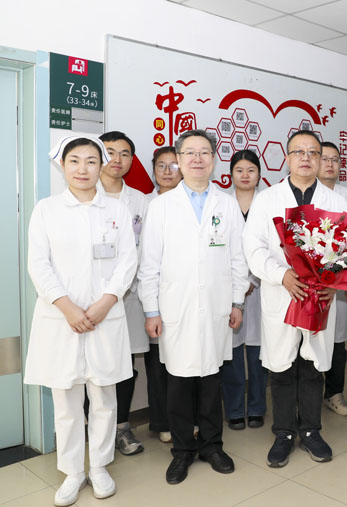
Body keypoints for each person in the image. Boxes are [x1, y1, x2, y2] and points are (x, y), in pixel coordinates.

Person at [25, 137, 137, 506]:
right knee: (67, 399)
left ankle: (100, 466)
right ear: (62, 165)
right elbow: (38, 264)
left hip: (106, 315)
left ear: (101, 165)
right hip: (62, 318)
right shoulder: (46, 210)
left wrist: (106, 302)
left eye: (91, 161)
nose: (83, 169)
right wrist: (67, 307)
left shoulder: (117, 209)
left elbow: (128, 261)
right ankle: (72, 472)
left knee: (104, 395)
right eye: (74, 161)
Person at [139, 129, 248, 484]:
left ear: (213, 160)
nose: (197, 159)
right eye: (189, 153)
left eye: (204, 152)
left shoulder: (226, 204)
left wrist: (236, 301)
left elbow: (238, 259)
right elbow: (149, 264)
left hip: (217, 307)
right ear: (179, 160)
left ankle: (212, 446)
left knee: (212, 379)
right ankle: (183, 450)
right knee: (180, 382)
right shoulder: (161, 206)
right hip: (176, 308)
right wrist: (151, 310)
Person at [243, 130, 347, 468]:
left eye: (313, 152)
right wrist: (281, 275)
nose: (306, 158)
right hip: (282, 293)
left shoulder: (336, 202)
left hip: (319, 297)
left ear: (320, 159)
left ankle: (312, 431)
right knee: (283, 366)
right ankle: (284, 433)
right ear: (287, 158)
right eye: (299, 152)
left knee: (313, 366)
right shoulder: (267, 199)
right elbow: (253, 247)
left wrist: (335, 282)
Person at [98, 131, 149, 456]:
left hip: (129, 295)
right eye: (110, 151)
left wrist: (125, 286)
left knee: (125, 364)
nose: (117, 159)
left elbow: (144, 250)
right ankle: (98, 431)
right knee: (96, 365)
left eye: (125, 153)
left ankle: (122, 428)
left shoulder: (139, 200)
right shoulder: (86, 194)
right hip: (93, 298)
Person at [220, 150, 269, 430]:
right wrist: (239, 282)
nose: (245, 175)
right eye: (239, 170)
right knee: (233, 352)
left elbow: (272, 247)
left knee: (258, 352)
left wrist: (252, 280)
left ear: (259, 174)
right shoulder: (222, 204)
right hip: (228, 288)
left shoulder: (268, 204)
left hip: (261, 287)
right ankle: (235, 409)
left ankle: (258, 407)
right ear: (231, 174)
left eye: (251, 170)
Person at [142, 146, 182, 444]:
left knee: (185, 363)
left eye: (173, 166)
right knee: (157, 364)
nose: (167, 172)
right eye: (161, 166)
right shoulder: (145, 204)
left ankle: (187, 419)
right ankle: (162, 421)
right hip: (153, 294)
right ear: (153, 169)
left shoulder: (192, 202)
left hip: (184, 296)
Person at [317, 141, 347, 416]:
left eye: (335, 160)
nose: (330, 164)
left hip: (338, 283)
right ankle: (307, 397)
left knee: (337, 342)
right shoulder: (306, 195)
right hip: (311, 283)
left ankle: (334, 393)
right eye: (324, 158)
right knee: (309, 341)